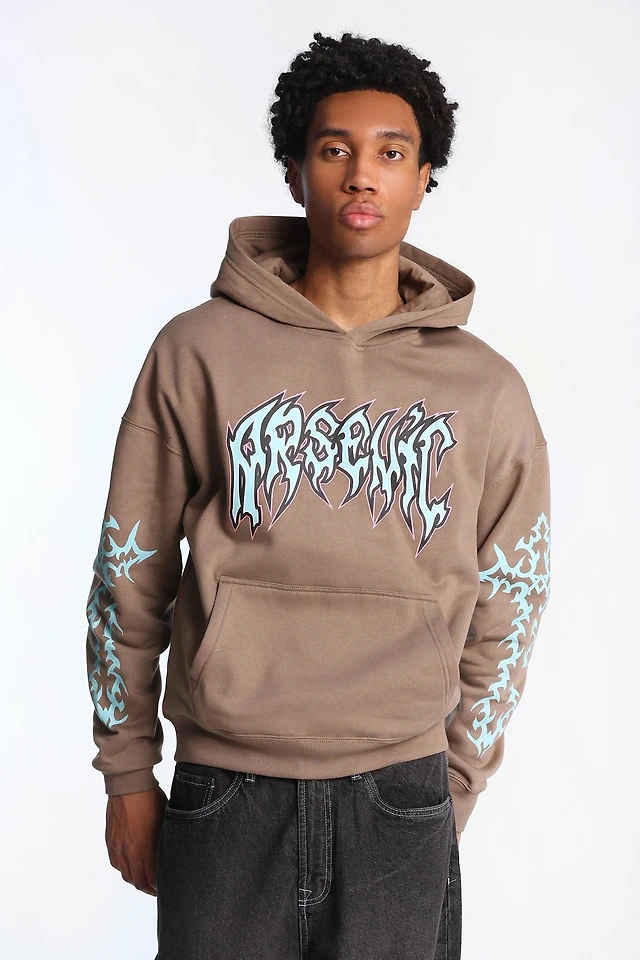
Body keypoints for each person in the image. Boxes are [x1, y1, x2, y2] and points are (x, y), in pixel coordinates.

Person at [85, 31, 551, 960]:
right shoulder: (198, 350)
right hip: (226, 790)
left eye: (392, 152)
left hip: (402, 791)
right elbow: (128, 571)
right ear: (295, 173)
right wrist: (127, 769)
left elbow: (515, 595)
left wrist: (453, 782)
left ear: (424, 179)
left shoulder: (487, 389)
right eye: (335, 148)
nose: (362, 174)